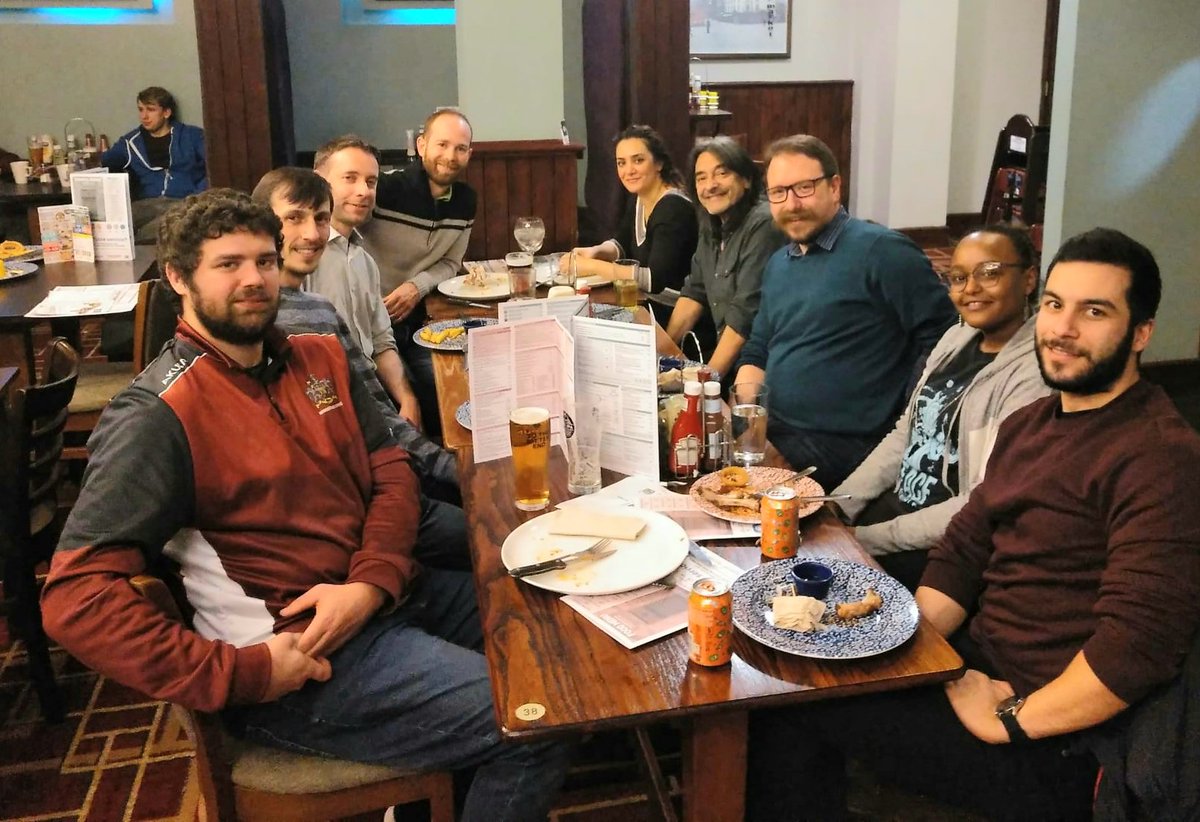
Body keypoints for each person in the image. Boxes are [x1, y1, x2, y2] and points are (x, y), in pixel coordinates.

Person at [40, 189, 570, 821]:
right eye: (228, 264)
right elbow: (75, 599)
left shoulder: (315, 354)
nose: (254, 279)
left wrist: (370, 582)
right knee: (542, 719)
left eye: (264, 261)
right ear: (178, 278)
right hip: (301, 656)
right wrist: (239, 674)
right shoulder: (156, 415)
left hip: (387, 595)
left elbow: (390, 469)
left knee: (558, 623)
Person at [745, 227, 1200, 821]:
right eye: (1056, 305)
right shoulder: (1032, 423)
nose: (1063, 328)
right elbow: (962, 552)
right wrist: (902, 650)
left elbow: (1138, 647)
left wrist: (1010, 720)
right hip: (976, 666)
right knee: (790, 662)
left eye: (1094, 311)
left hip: (1058, 735)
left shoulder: (1160, 457)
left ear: (1141, 332)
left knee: (786, 704)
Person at [834, 224, 1052, 590]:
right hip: (895, 514)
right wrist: (839, 504)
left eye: (989, 273)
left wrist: (867, 539)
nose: (971, 288)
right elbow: (907, 433)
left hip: (946, 548)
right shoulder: (956, 337)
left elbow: (982, 499)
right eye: (959, 277)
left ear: (1028, 279)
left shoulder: (1034, 374)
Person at [735, 134, 956, 489]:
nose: (792, 204)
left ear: (835, 187)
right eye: (778, 192)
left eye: (804, 188)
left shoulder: (882, 252)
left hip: (842, 441)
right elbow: (759, 347)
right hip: (776, 424)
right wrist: (746, 419)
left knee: (743, 492)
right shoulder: (779, 263)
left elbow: (946, 338)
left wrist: (907, 417)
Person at [251, 165, 464, 514]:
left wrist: (439, 462)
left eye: (321, 219)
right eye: (293, 218)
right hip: (344, 494)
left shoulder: (320, 306)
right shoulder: (258, 322)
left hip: (374, 464)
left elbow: (370, 402)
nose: (311, 233)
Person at [360, 108, 477, 439]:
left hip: (417, 322)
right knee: (410, 398)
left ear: (469, 154)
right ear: (421, 145)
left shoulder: (466, 202)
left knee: (455, 386)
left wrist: (416, 286)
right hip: (371, 326)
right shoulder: (384, 189)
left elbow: (451, 262)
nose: (450, 156)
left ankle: (455, 458)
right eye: (442, 144)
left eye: (460, 148)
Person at [308, 135, 422, 429]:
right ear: (319, 181)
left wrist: (407, 399)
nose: (363, 191)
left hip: (372, 395)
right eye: (350, 178)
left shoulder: (364, 260)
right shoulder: (304, 260)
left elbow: (381, 341)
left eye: (371, 182)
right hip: (330, 407)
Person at [660, 135, 785, 376]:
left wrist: (705, 383)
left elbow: (744, 315)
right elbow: (694, 292)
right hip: (728, 362)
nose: (710, 185)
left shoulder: (763, 223)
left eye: (722, 173)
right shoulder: (711, 221)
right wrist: (661, 357)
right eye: (701, 178)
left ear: (746, 179)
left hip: (761, 369)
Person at [563, 125, 699, 294]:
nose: (629, 171)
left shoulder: (673, 208)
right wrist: (595, 251)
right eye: (621, 163)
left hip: (672, 306)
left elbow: (654, 280)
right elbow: (622, 244)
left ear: (659, 163)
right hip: (644, 299)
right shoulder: (641, 197)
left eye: (638, 160)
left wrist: (592, 266)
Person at [102, 86, 207, 244]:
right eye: (141, 109)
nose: (144, 116)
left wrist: (197, 196)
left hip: (182, 201)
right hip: (146, 202)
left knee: (155, 231)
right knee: (115, 225)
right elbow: (106, 162)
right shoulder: (131, 142)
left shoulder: (192, 136)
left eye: (151, 110)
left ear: (166, 113)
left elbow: (214, 165)